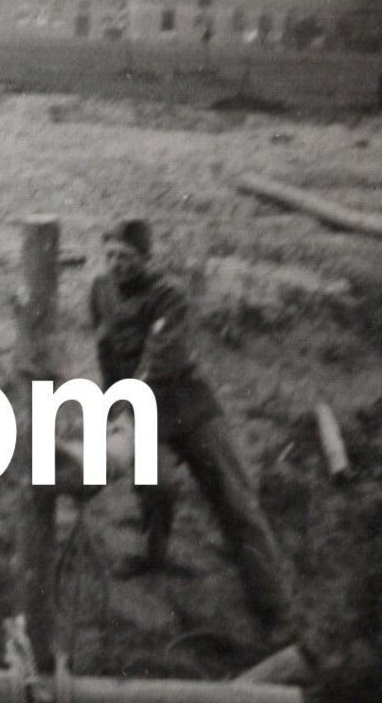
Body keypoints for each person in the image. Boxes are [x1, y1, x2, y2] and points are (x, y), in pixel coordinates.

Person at [90, 218, 292, 635]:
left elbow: (162, 356)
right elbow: (108, 354)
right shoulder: (101, 291)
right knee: (155, 485)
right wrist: (114, 411)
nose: (116, 265)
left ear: (147, 258)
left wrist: (128, 408)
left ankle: (276, 609)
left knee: (235, 499)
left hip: (188, 405)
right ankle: (154, 553)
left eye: (125, 257)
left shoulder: (171, 295)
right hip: (139, 409)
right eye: (110, 255)